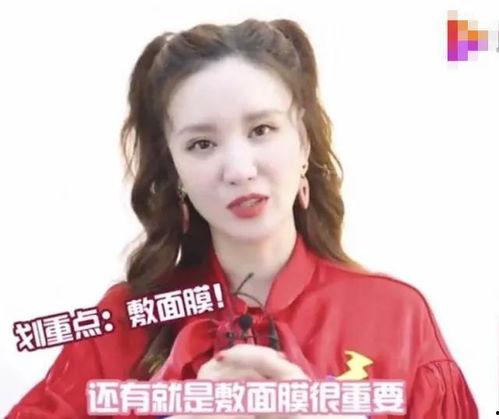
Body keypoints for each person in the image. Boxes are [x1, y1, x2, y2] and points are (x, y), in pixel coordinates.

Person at [7, 18, 478, 419]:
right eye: (202, 144)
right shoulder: (122, 324)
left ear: (304, 142)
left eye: (262, 129)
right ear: (175, 170)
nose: (238, 169)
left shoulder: (395, 318)